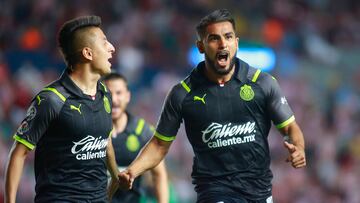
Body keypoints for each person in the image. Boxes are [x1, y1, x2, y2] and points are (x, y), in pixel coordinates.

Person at [118, 9, 306, 203]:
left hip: (260, 192)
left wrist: (298, 147)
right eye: (214, 38)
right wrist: (133, 171)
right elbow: (159, 145)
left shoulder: (263, 83)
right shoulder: (182, 94)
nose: (223, 43)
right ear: (201, 46)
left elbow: (290, 128)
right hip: (215, 192)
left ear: (236, 43)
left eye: (228, 37)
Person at [4, 15, 119, 203]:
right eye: (105, 42)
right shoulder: (51, 100)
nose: (112, 48)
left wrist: (116, 176)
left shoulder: (105, 94)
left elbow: (104, 139)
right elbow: (18, 153)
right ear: (88, 53)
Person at [103, 73, 169, 203]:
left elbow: (159, 174)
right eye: (109, 94)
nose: (114, 99)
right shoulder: (91, 131)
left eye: (119, 93)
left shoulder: (143, 131)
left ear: (128, 96)